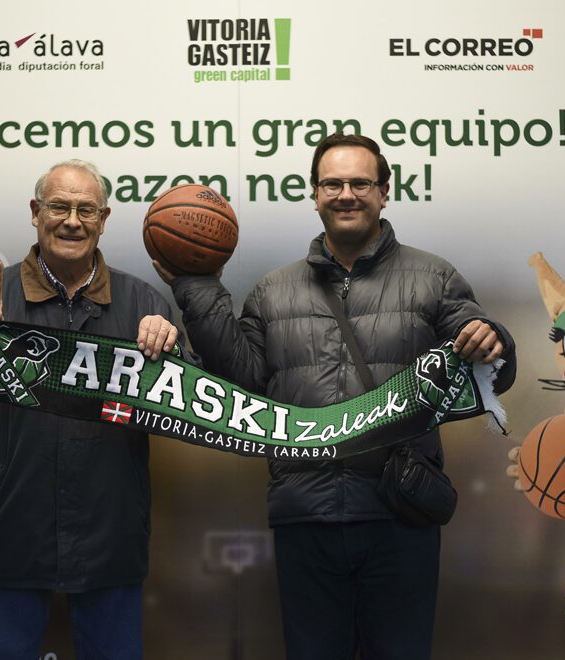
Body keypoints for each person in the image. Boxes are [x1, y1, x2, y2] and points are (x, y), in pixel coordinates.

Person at [154, 133, 516, 659]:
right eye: (333, 183)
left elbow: (488, 358)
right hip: (306, 515)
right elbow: (242, 386)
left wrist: (494, 339)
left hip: (399, 513)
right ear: (314, 193)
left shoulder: (434, 277)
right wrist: (196, 285)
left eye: (360, 182)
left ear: (385, 191)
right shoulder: (272, 291)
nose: (346, 193)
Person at [0, 159, 186, 660]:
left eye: (85, 209)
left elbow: (186, 407)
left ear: (103, 219)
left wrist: (174, 352)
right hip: (10, 537)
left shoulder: (143, 301)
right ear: (36, 213)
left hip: (109, 541)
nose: (72, 220)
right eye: (59, 206)